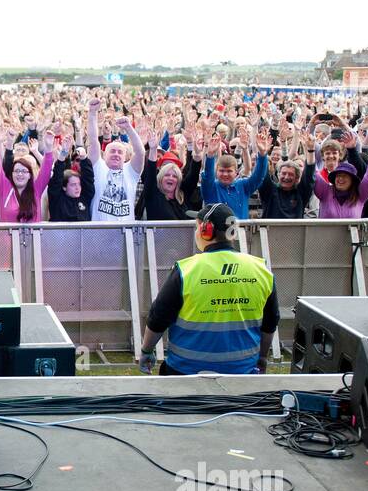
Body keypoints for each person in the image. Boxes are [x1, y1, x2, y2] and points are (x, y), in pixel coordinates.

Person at [137, 203, 279, 376]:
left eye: (197, 227)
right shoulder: (261, 270)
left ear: (206, 231)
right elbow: (271, 322)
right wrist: (262, 358)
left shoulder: (186, 270)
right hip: (243, 373)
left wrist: (146, 351)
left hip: (184, 372)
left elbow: (157, 317)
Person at [87, 98, 144, 222]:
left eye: (120, 152)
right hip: (99, 234)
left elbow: (140, 152)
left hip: (125, 234)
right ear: (104, 154)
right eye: (112, 151)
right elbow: (93, 141)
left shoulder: (131, 172)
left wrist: (129, 128)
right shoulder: (98, 167)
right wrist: (92, 113)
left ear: (125, 157)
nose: (116, 154)